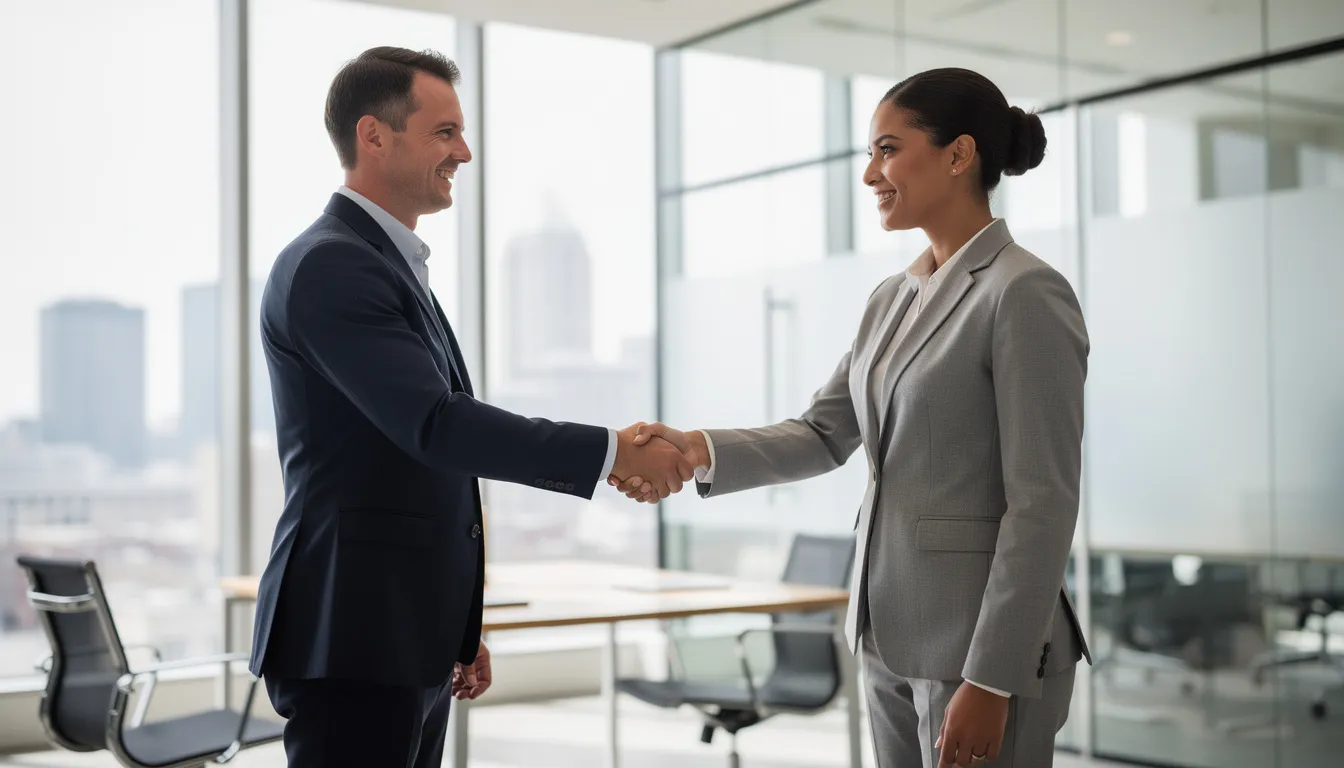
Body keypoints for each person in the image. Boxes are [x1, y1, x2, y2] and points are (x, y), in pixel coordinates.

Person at [615, 68, 1092, 767]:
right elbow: (823, 433)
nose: (871, 173)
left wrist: (992, 675)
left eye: (888, 149)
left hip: (983, 650)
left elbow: (1043, 501)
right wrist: (696, 449)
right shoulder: (891, 298)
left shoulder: (1024, 291)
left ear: (959, 156)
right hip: (888, 634)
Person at [250, 46, 691, 767]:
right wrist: (613, 451)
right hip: (352, 632)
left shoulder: (388, 264)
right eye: (445, 132)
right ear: (374, 136)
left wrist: (454, 624)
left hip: (396, 628)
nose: (466, 151)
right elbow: (437, 427)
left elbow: (414, 459)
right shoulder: (333, 265)